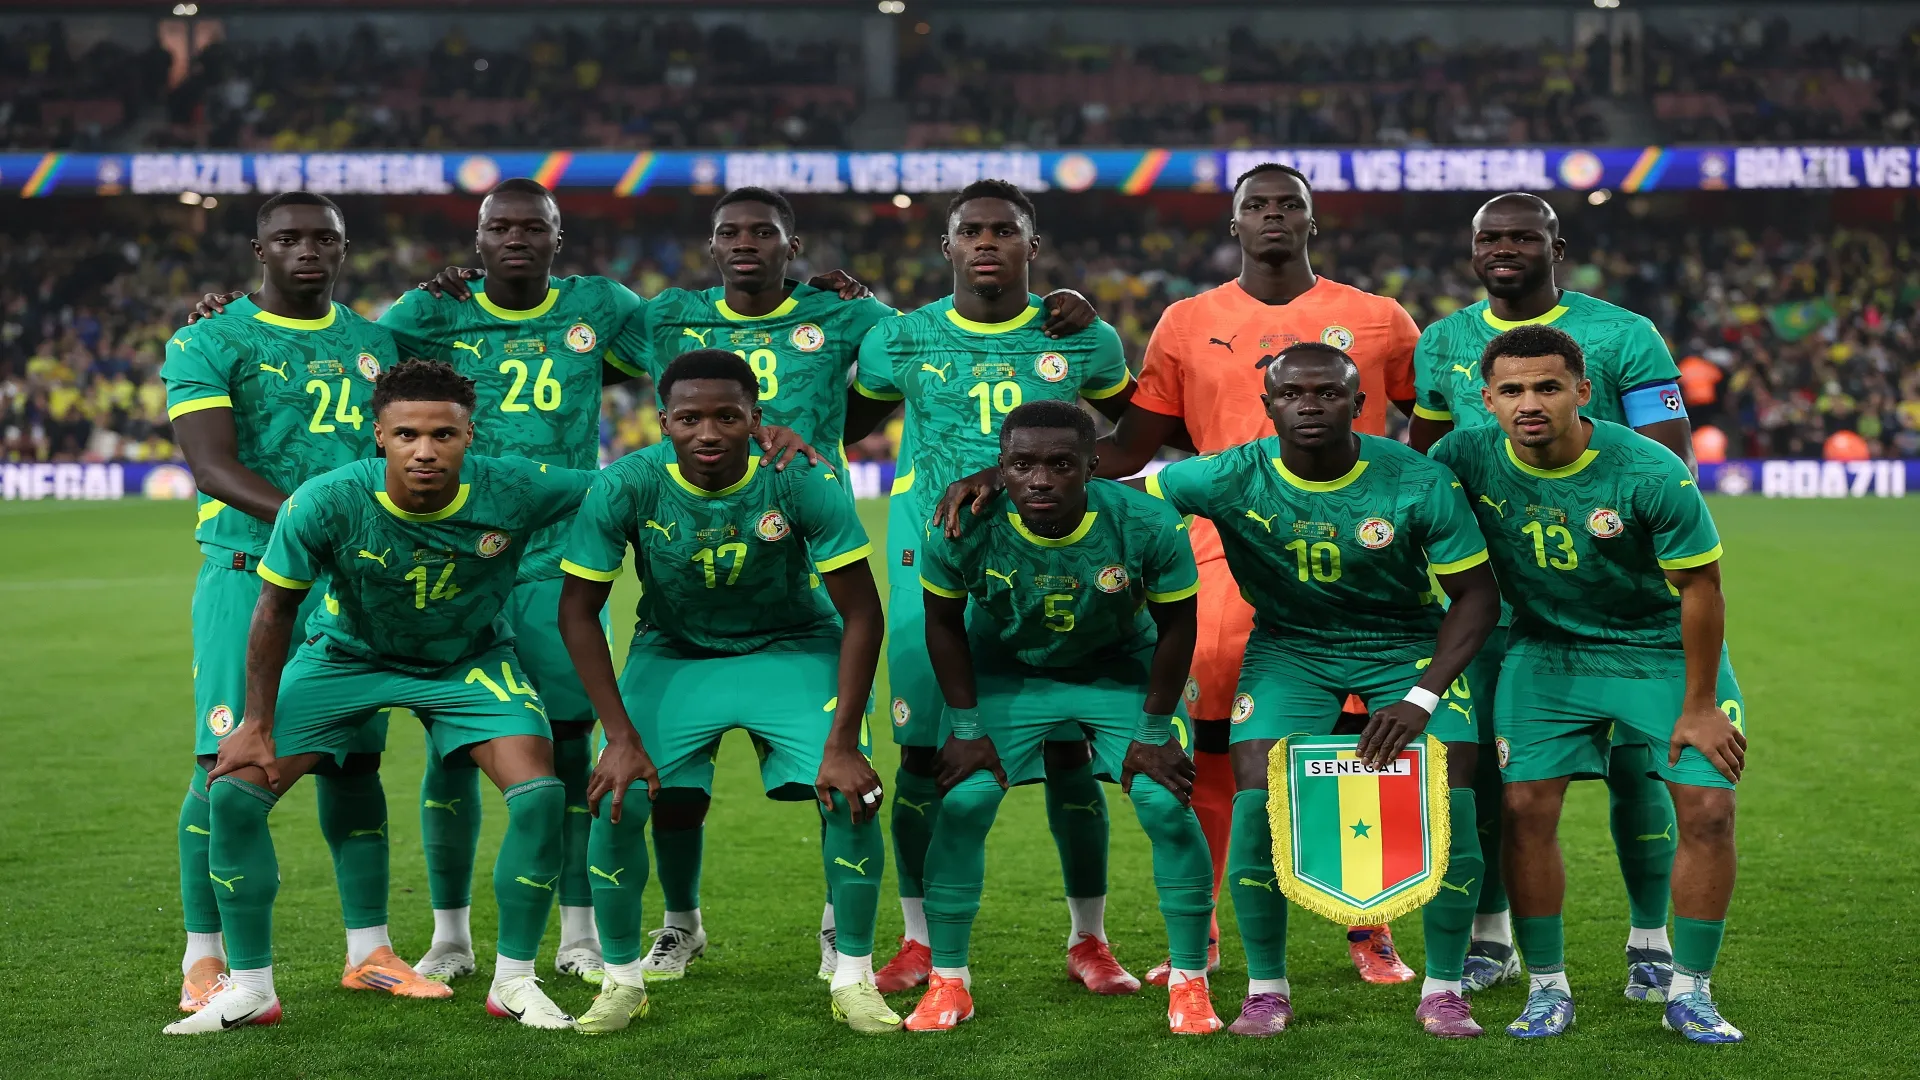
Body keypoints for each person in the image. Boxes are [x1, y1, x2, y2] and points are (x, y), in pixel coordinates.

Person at [189, 178, 832, 987]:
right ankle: (448, 936)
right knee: (444, 749)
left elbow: (705, 361)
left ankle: (578, 930)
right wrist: (230, 308)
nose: (518, 237)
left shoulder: (601, 306)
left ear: (559, 237)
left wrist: (810, 305)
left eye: (535, 225)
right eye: (502, 226)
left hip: (554, 553)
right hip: (440, 555)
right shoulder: (423, 318)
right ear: (479, 238)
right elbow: (341, 359)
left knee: (564, 745)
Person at [938, 163, 1426, 985]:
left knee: (1352, 740)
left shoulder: (1377, 319)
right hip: (1216, 558)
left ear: (1314, 222)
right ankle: (1198, 936)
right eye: (1256, 207)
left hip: (1353, 570)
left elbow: (1431, 426)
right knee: (1205, 745)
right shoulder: (1188, 321)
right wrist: (1012, 473)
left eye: (1289, 206)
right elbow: (1130, 447)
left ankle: (1366, 921)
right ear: (1233, 224)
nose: (1273, 217)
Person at [635, 186, 1098, 982]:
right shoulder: (664, 315)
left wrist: (1073, 304)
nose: (745, 243)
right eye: (729, 232)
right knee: (700, 772)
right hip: (733, 555)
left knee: (1042, 755)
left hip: (826, 559)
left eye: (763, 231)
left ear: (794, 242)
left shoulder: (862, 320)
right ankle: (695, 923)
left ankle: (849, 926)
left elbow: (1126, 428)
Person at [164, 359, 598, 1034]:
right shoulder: (327, 499)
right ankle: (250, 989)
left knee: (540, 795)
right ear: (378, 435)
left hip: (468, 661)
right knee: (234, 788)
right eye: (406, 435)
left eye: (443, 435)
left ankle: (514, 982)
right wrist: (255, 721)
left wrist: (760, 443)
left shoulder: (515, 487)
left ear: (468, 434)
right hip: (347, 658)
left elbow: (632, 484)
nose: (425, 450)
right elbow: (274, 611)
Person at [1141, 343, 1500, 1037]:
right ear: (1269, 405)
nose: (1311, 405)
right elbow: (1122, 499)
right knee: (1256, 803)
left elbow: (1476, 598)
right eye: (1294, 394)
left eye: (1329, 393)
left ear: (1358, 405)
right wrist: (1001, 480)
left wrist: (1421, 696)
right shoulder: (1230, 474)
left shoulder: (1416, 479)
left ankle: (1446, 988)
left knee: (1452, 798)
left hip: (1404, 647)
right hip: (1290, 650)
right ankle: (1267, 990)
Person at [850, 179, 1139, 996]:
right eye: (970, 230)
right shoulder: (899, 341)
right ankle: (915, 939)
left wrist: (1041, 478)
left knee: (1068, 752)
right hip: (928, 566)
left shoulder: (1081, 338)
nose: (986, 243)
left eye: (1003, 230)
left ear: (1031, 248)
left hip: (1054, 568)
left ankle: (1090, 939)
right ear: (945, 246)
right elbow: (841, 424)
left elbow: (1138, 437)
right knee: (919, 757)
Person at [1407, 192, 1697, 1001]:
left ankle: (1650, 939)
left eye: (1522, 237)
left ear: (1555, 246)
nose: (1504, 249)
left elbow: (1669, 459)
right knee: (1505, 782)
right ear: (1472, 250)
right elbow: (1426, 470)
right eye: (1489, 238)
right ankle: (1491, 937)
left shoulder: (1626, 334)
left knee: (1641, 772)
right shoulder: (1442, 343)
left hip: (1620, 603)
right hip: (1498, 610)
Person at [556, 350, 895, 1034]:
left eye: (726, 417)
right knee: (615, 798)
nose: (707, 432)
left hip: (793, 646)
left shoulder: (799, 478)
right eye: (689, 418)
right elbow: (577, 610)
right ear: (663, 423)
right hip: (675, 651)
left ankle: (856, 975)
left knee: (852, 795)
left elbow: (863, 611)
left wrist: (843, 740)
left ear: (755, 420)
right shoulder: (626, 483)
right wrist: (619, 738)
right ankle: (623, 981)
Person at [161, 191, 442, 1014]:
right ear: (259, 248)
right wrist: (319, 525)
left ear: (346, 248)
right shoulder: (209, 339)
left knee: (355, 762)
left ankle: (370, 952)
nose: (307, 249)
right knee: (225, 762)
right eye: (289, 237)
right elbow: (212, 467)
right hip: (251, 571)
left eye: (324, 237)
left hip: (347, 587)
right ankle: (204, 958)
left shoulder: (377, 344)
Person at [1431, 325, 1746, 1043]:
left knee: (1707, 811)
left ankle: (1690, 989)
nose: (1529, 403)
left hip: (1658, 651)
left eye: (1547, 386)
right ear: (1487, 401)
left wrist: (1699, 705)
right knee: (1525, 809)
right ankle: (1546, 987)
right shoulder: (1462, 455)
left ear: (1582, 390)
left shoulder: (1648, 470)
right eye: (1511, 391)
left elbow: (1701, 586)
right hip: (1547, 651)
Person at [905, 399, 1219, 1035]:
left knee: (1164, 801)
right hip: (1008, 675)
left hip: (1117, 672)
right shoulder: (963, 524)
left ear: (1092, 466)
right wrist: (966, 729)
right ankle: (949, 983)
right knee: (961, 802)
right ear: (1001, 469)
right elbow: (942, 624)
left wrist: (1154, 733)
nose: (1040, 479)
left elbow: (1178, 625)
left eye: (1059, 464)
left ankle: (1190, 982)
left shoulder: (1146, 522)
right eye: (1022, 465)